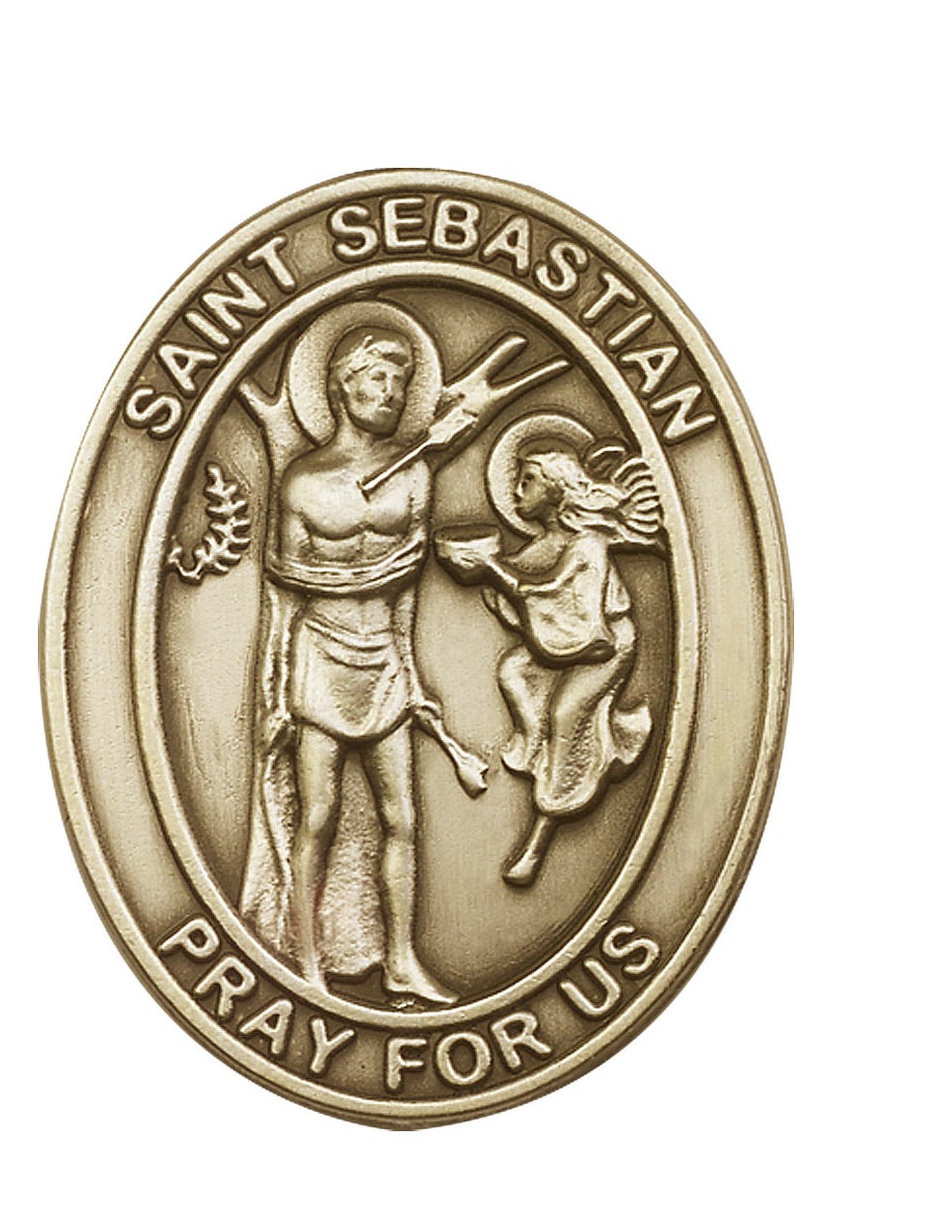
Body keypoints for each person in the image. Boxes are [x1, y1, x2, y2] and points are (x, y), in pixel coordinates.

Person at [257, 327, 455, 1002]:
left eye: (400, 382)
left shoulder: (415, 473)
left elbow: (409, 587)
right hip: (320, 655)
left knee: (403, 818)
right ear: (342, 387)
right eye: (377, 379)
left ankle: (400, 961)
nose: (391, 393)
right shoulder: (303, 481)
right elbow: (286, 588)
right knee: (319, 814)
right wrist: (277, 691)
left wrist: (412, 670)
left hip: (385, 662)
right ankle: (307, 963)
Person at [438, 441, 664, 885]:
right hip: (568, 646)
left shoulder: (589, 546)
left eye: (528, 482)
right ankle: (544, 745)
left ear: (557, 490)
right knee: (515, 672)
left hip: (604, 647)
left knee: (568, 715)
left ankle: (539, 839)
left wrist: (493, 571)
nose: (516, 492)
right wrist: (481, 570)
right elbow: (520, 588)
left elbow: (557, 601)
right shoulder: (548, 544)